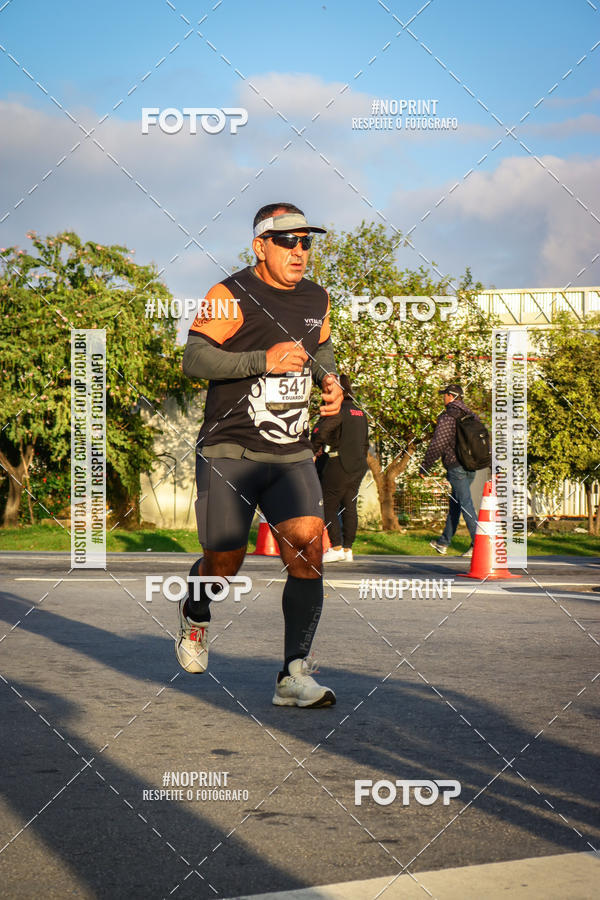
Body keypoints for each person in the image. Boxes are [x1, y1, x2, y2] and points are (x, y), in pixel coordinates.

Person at [177, 202, 343, 708]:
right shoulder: (230, 294)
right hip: (231, 448)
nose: (300, 251)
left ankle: (293, 674)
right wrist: (262, 361)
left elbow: (322, 350)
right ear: (260, 245)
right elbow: (194, 358)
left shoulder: (317, 297)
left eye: (306, 241)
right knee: (226, 562)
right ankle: (196, 611)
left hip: (291, 451)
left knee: (308, 548)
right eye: (287, 241)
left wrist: (330, 381)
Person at [311, 375, 369, 562]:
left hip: (339, 463)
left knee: (328, 505)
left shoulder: (337, 410)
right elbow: (365, 442)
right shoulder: (359, 412)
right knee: (349, 505)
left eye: (329, 389)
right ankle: (347, 549)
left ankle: (335, 547)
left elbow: (322, 431)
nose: (326, 394)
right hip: (358, 465)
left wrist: (313, 448)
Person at [420, 384, 479, 556]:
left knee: (466, 503)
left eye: (444, 395)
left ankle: (478, 544)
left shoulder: (448, 416)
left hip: (456, 466)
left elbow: (438, 443)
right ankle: (443, 542)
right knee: (456, 503)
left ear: (451, 396)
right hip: (471, 466)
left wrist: (425, 466)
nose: (442, 398)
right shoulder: (472, 416)